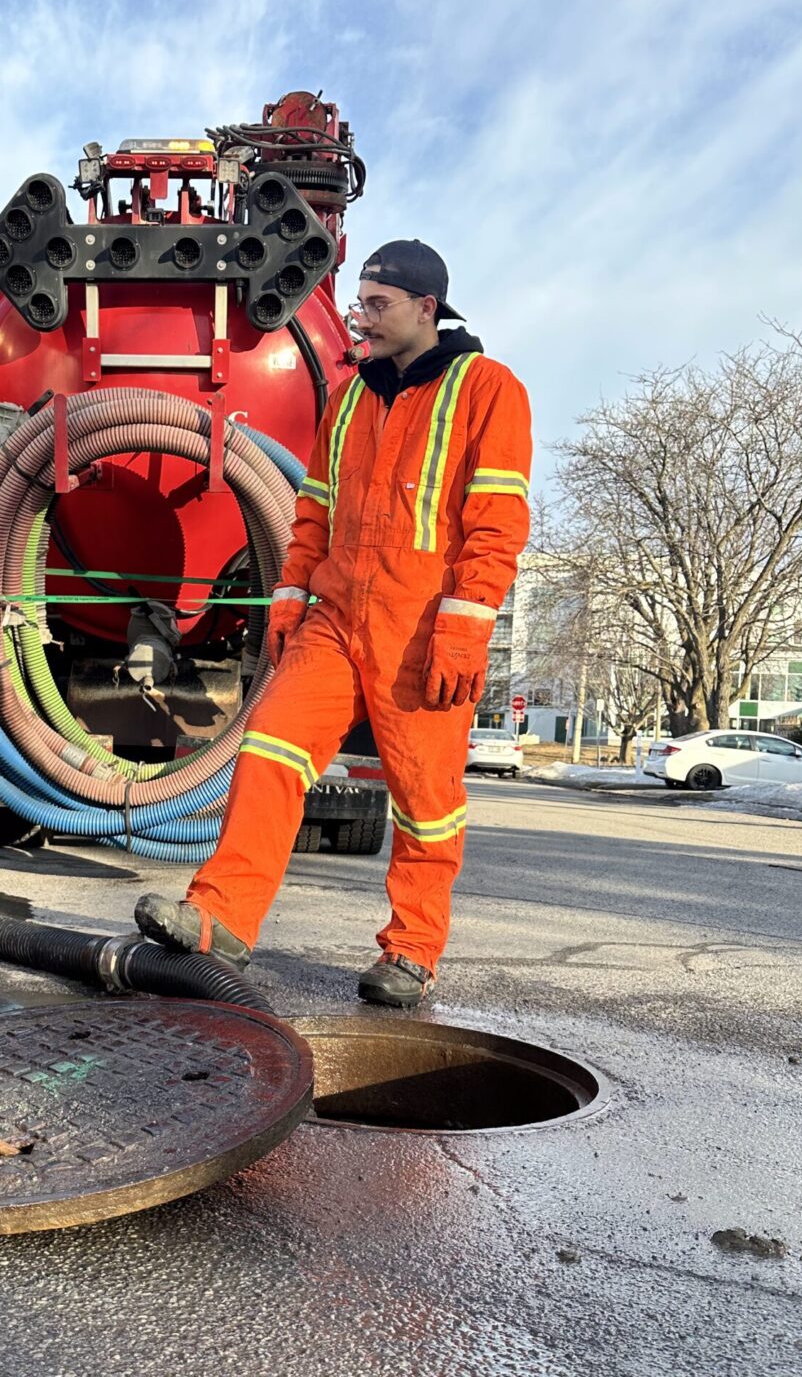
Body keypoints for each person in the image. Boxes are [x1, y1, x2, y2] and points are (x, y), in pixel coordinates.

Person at [135, 240, 531, 1007]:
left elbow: (497, 523)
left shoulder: (487, 389)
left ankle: (411, 951)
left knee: (424, 799)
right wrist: (289, 597)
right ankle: (219, 919)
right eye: (360, 303)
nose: (361, 318)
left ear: (426, 307)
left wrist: (465, 623)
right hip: (337, 614)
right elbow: (312, 511)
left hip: (421, 628)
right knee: (267, 748)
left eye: (377, 305)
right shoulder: (349, 397)